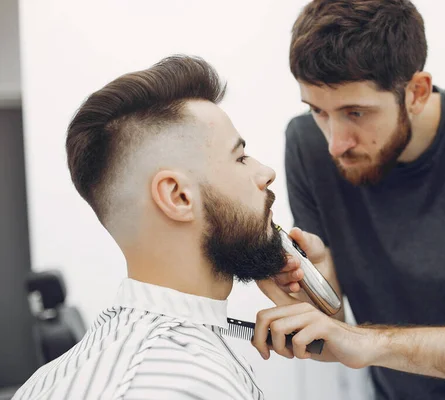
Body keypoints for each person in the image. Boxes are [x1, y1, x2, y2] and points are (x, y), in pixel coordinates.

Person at [251, 1, 445, 399]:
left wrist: (373, 343)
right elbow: (334, 339)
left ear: (417, 92)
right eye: (318, 110)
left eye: (356, 112)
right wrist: (314, 296)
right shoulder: (306, 144)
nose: (335, 143)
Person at [13, 55, 285, 400]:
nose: (265, 173)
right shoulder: (176, 383)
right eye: (241, 157)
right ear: (178, 196)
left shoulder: (52, 378)